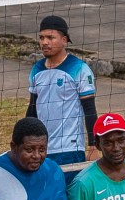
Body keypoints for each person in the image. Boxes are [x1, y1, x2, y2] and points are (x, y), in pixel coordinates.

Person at [26, 14, 97, 169]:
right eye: (41, 37)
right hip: (40, 150)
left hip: (69, 149)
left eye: (50, 37)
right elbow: (32, 109)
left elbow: (90, 111)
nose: (44, 42)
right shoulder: (36, 69)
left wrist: (93, 147)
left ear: (64, 40)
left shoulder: (79, 69)